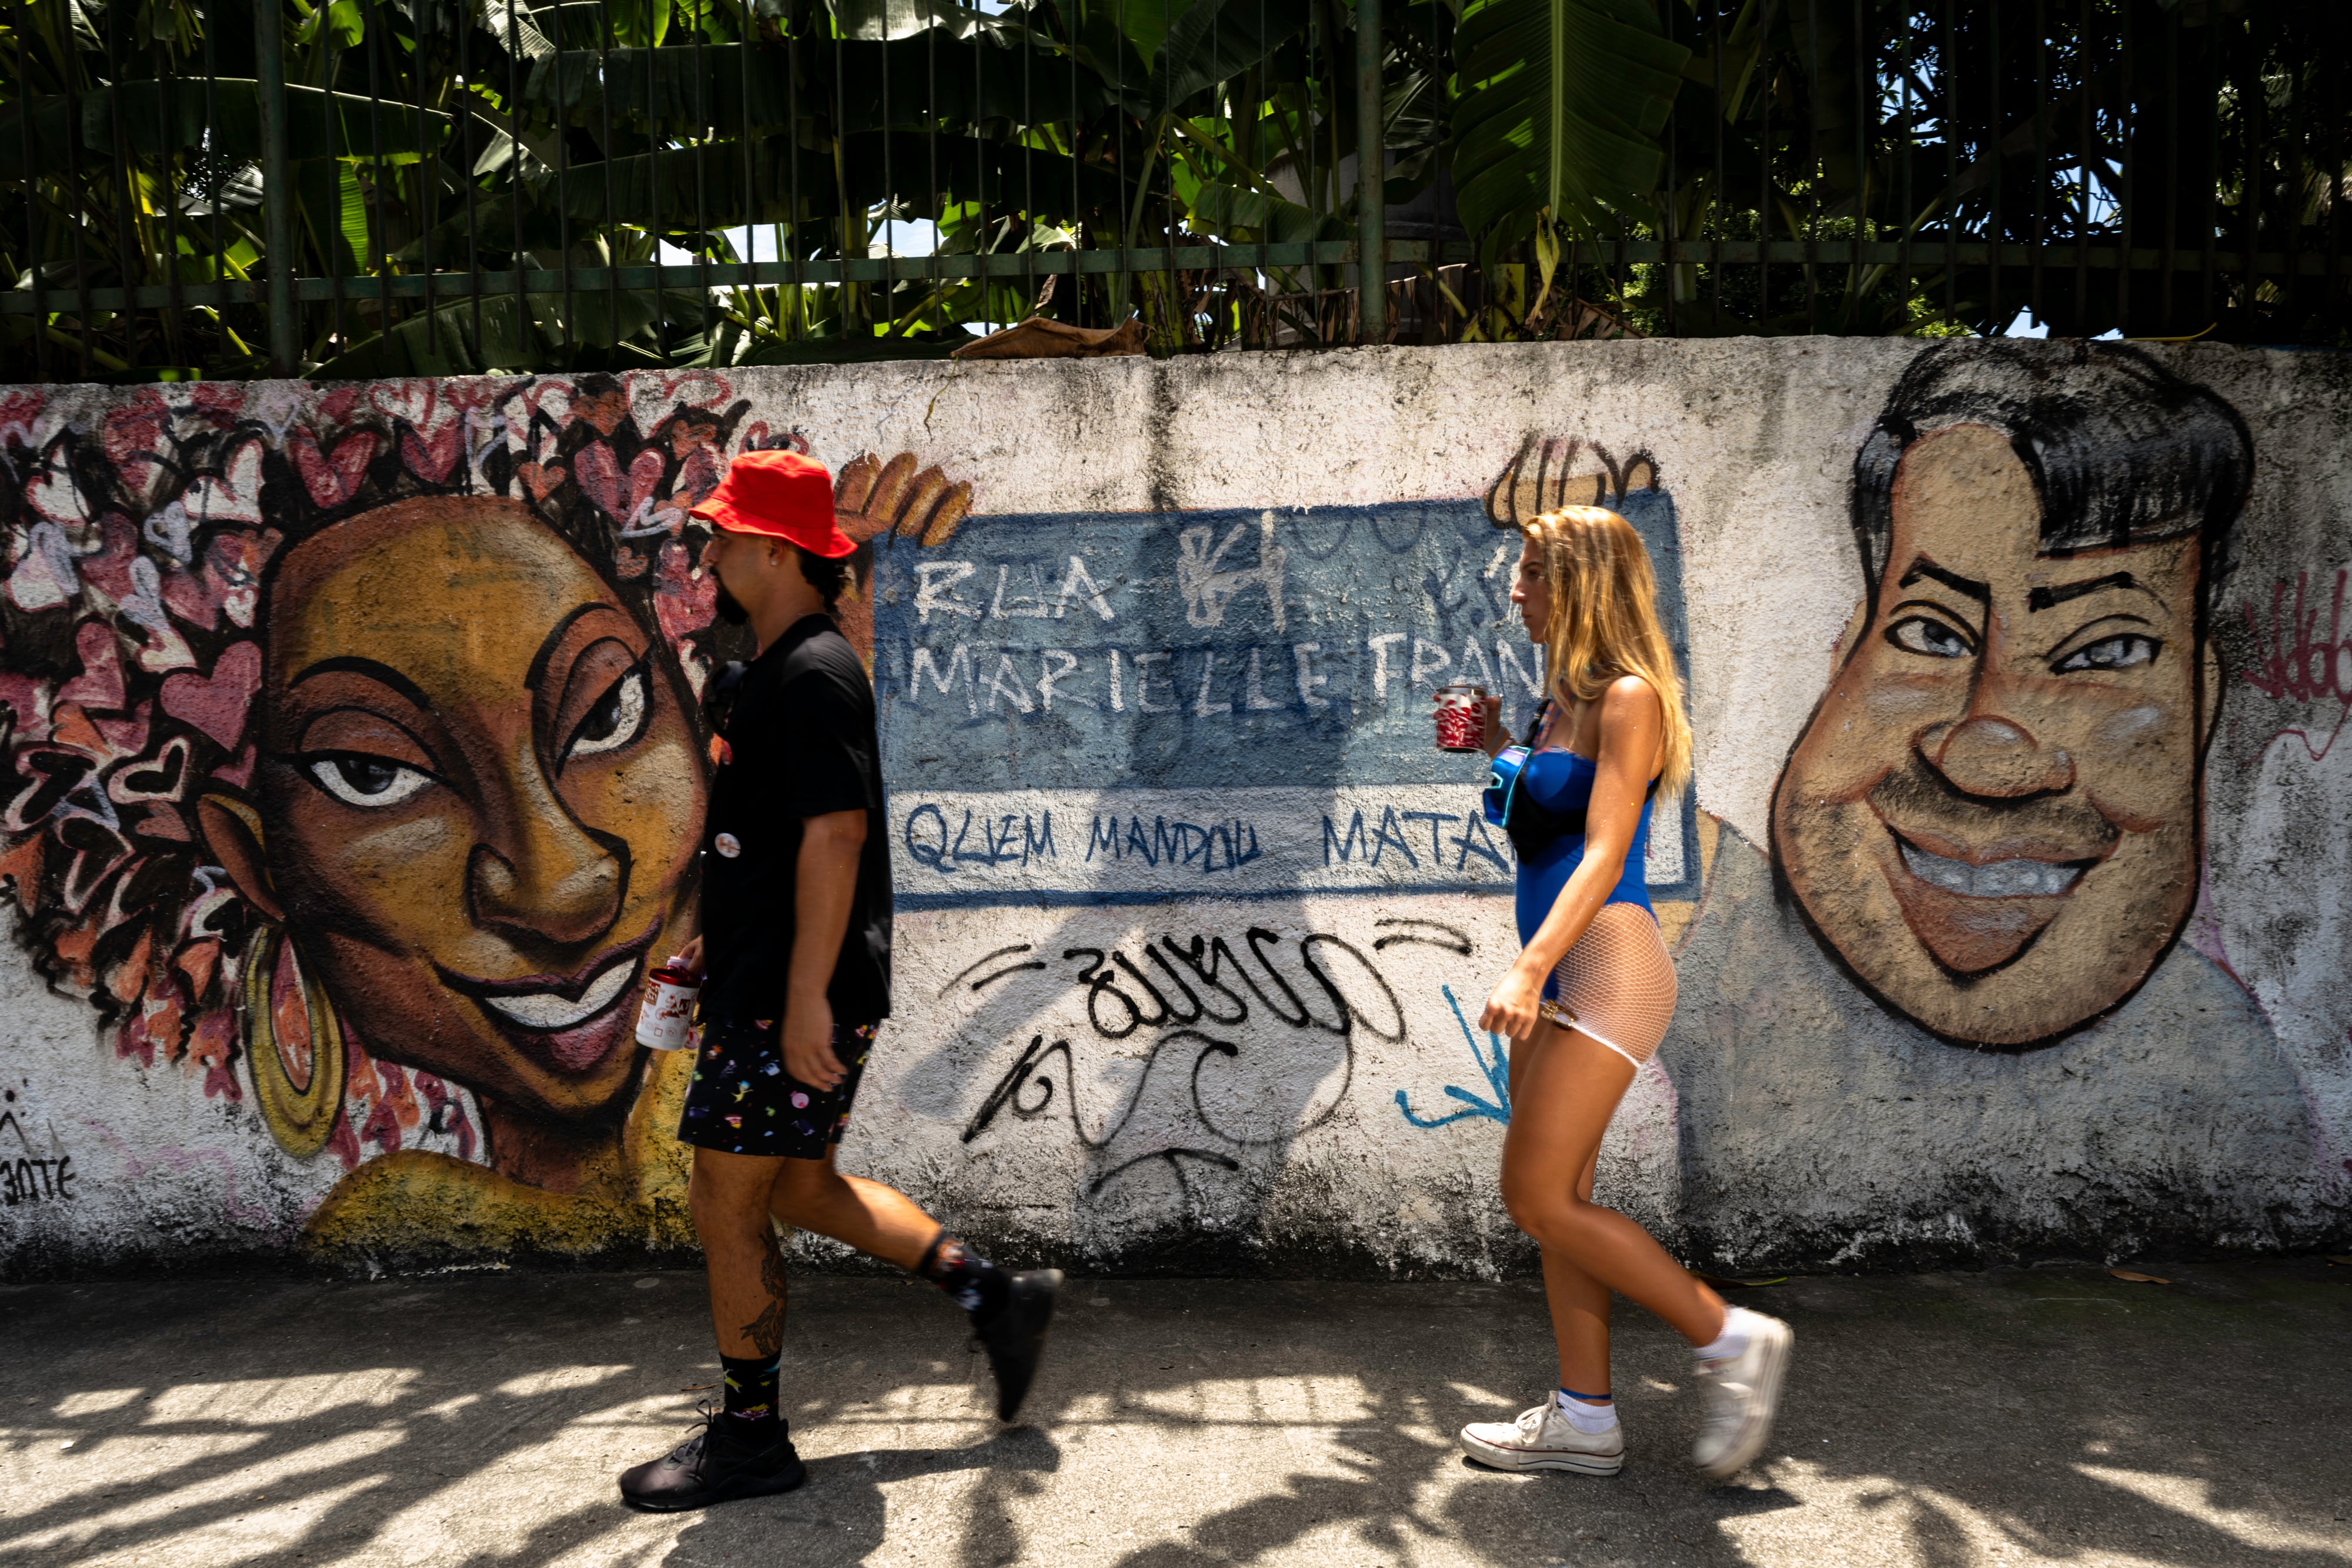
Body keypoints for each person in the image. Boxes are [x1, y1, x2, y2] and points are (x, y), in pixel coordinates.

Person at [619, 449, 1061, 1513]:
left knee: (725, 1202)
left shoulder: (813, 673)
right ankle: (992, 1296)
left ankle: (751, 1438)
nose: (710, 548)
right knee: (802, 1186)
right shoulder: (775, 669)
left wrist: (806, 996)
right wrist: (710, 944)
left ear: (775, 549)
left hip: (788, 999)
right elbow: (769, 847)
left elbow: (836, 836)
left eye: (724, 533)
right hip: (765, 983)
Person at [1447, 506, 1791, 1481]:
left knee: (1533, 1195)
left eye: (1531, 575)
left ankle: (1728, 1336)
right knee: (1564, 1202)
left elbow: (1602, 853)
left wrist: (1524, 966)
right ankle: (1585, 1418)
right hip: (1558, 970)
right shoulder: (1561, 700)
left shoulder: (1631, 697)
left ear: (1581, 583)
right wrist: (1501, 747)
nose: (1515, 591)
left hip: (1606, 965)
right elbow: (1551, 814)